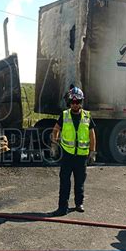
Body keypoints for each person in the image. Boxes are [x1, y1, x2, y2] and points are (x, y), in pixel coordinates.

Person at [51, 87, 96, 216]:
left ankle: (78, 204)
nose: (75, 104)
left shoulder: (87, 116)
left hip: (81, 156)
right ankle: (62, 207)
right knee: (65, 182)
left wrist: (92, 152)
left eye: (78, 102)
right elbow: (55, 130)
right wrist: (54, 145)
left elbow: (92, 134)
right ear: (69, 102)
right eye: (73, 102)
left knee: (80, 181)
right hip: (67, 155)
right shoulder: (64, 115)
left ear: (81, 102)